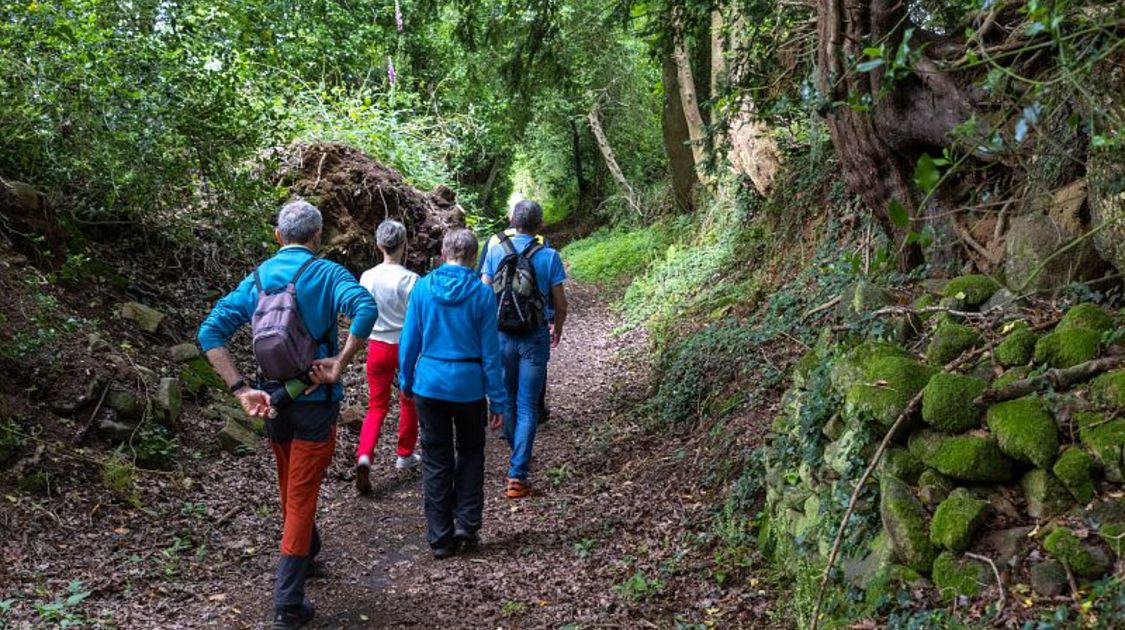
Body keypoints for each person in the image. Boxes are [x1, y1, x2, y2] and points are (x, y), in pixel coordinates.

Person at [198, 200, 377, 630]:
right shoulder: (327, 273)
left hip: (274, 402)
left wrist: (241, 389)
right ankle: (287, 604)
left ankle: (308, 551)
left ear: (278, 236)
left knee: (289, 488)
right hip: (315, 406)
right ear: (317, 238)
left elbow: (209, 333)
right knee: (299, 497)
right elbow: (365, 310)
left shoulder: (257, 278)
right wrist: (339, 361)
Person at [399, 228, 507, 559]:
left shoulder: (423, 288)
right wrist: (498, 398)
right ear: (474, 258)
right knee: (471, 452)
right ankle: (467, 524)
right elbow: (491, 352)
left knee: (436, 457)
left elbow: (409, 342)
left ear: (443, 254)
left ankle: (440, 537)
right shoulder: (482, 294)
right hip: (469, 386)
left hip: (429, 385)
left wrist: (405, 381)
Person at [481, 200, 567, 498]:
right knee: (529, 404)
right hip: (534, 335)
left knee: (506, 399)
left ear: (513, 221)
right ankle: (517, 475)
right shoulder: (549, 256)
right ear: (539, 225)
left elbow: (484, 295)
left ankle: (517, 448)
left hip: (501, 335)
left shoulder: (494, 251)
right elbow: (560, 304)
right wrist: (558, 327)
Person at [355, 220, 421, 495]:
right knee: (409, 398)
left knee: (376, 407)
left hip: (377, 346)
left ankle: (365, 455)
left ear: (379, 245)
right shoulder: (411, 280)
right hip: (404, 346)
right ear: (404, 244)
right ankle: (404, 453)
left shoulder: (367, 277)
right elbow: (418, 319)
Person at [477, 210, 552, 423]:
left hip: (499, 319)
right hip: (533, 320)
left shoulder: (494, 240)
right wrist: (553, 317)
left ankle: (503, 412)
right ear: (538, 224)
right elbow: (546, 286)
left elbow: (483, 283)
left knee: (502, 367)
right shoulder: (542, 242)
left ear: (513, 219)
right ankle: (536, 409)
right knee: (535, 363)